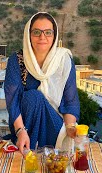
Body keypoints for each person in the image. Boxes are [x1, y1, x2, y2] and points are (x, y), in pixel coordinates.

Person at [4, 12, 80, 154]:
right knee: (33, 97)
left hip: (54, 122)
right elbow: (13, 100)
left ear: (54, 35)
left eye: (48, 32)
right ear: (28, 34)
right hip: (24, 126)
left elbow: (71, 101)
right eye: (37, 32)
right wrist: (20, 131)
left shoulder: (63, 60)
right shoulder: (17, 60)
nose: (42, 37)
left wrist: (71, 128)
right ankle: (29, 146)